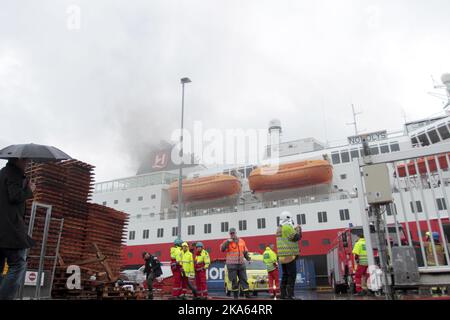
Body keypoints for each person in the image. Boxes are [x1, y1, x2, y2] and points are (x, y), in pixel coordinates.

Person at [0, 158, 36, 300]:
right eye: (26, 161)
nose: (27, 163)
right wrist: (29, 190)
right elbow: (15, 196)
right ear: (17, 160)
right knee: (18, 265)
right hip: (10, 229)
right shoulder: (14, 174)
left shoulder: (2, 173)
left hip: (2, 229)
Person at [276, 211, 302, 300]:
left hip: (282, 256)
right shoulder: (287, 227)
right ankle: (290, 295)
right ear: (288, 218)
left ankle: (283, 295)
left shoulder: (279, 229)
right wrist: (298, 229)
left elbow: (287, 237)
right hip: (289, 255)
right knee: (292, 275)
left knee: (285, 275)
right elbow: (296, 237)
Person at [220, 228, 251, 299]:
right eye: (231, 233)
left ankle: (247, 294)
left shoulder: (242, 241)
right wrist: (227, 242)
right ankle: (235, 296)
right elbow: (222, 249)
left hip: (241, 264)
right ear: (229, 234)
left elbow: (245, 251)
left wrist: (248, 258)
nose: (232, 234)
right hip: (231, 265)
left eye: (233, 233)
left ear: (236, 233)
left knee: (244, 279)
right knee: (234, 281)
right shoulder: (227, 242)